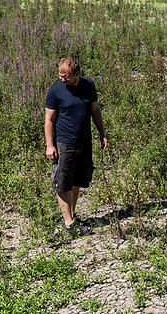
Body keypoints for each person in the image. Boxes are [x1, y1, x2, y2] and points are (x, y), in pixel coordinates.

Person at [44, 57, 108, 234]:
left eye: (67, 77)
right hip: (64, 142)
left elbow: (95, 110)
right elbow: (48, 120)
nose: (63, 80)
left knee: (78, 180)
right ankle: (69, 224)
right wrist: (50, 145)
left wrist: (102, 133)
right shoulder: (55, 91)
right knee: (62, 182)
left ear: (77, 74)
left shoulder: (88, 86)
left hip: (84, 141)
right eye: (60, 76)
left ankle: (71, 216)